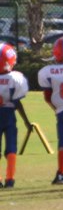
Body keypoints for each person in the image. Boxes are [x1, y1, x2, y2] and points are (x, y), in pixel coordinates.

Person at [37, 36, 63, 185]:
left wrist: (57, 109)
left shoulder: (47, 71)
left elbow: (47, 97)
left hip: (62, 112)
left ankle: (61, 173)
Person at [0, 43, 29, 188]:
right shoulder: (15, 78)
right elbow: (17, 102)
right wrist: (26, 121)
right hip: (9, 115)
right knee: (11, 147)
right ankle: (10, 179)